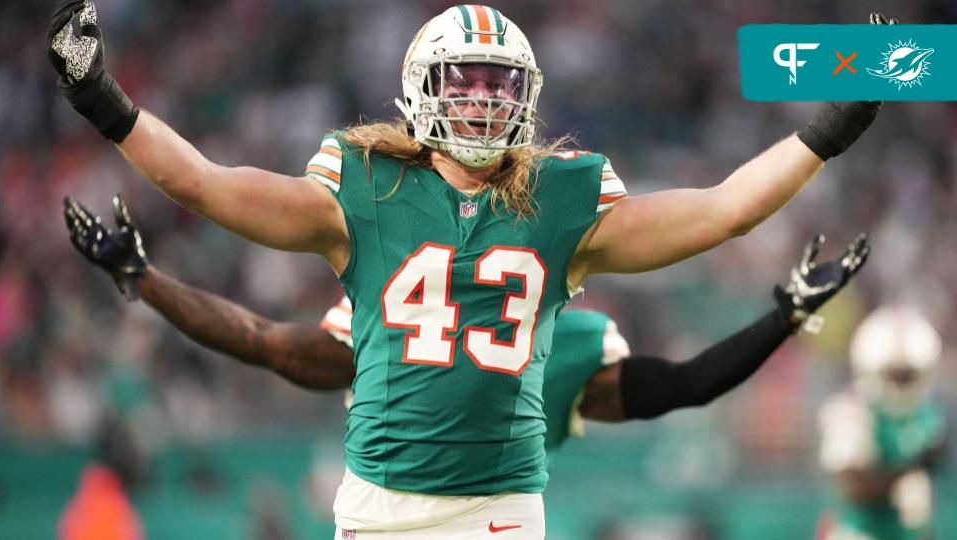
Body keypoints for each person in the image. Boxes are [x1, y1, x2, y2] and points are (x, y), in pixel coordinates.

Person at [49, 3, 888, 536]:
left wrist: (834, 126)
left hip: (499, 508)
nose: (483, 101)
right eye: (466, 82)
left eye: (499, 84)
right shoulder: (363, 186)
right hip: (376, 506)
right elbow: (204, 184)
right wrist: (100, 97)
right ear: (421, 89)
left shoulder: (563, 200)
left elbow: (725, 208)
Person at [817, 305, 947, 540]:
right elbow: (854, 487)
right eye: (895, 375)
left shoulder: (927, 413)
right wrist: (912, 467)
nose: (901, 385)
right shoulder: (854, 410)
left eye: (907, 376)